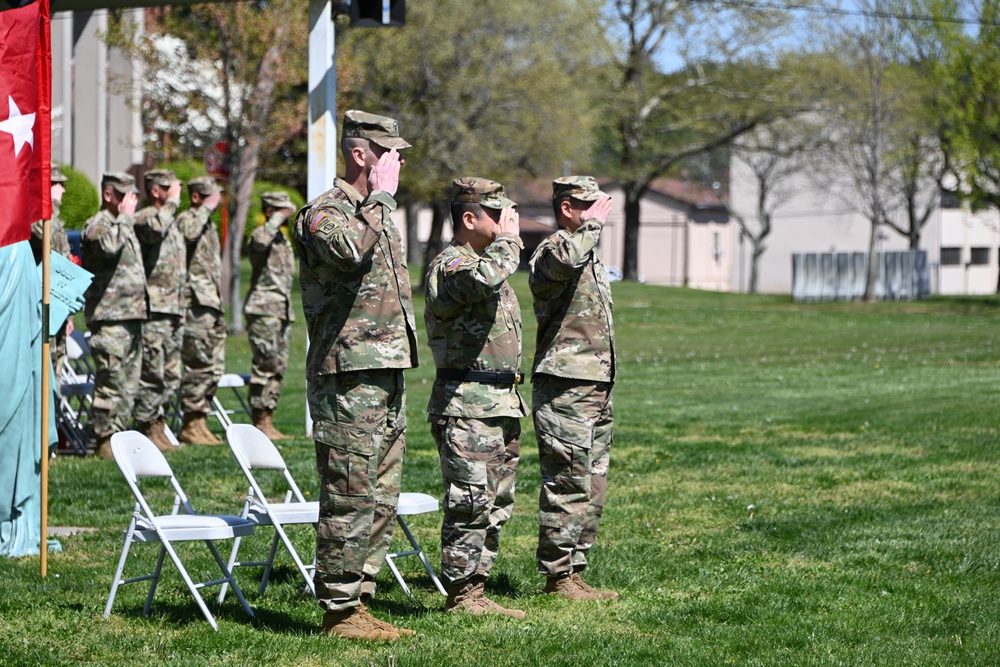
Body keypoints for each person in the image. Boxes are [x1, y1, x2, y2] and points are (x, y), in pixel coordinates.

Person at [292, 110, 418, 641]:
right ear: (361, 154)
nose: (400, 161)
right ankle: (339, 610)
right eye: (390, 152)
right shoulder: (325, 212)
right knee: (349, 491)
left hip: (385, 371)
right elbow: (346, 253)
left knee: (382, 495)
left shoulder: (376, 214)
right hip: (346, 376)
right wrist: (381, 202)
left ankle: (360, 600)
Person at [423, 177, 527, 619]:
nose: (507, 223)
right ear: (469, 218)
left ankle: (477, 588)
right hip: (466, 404)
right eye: (498, 215)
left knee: (496, 502)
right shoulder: (452, 266)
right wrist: (510, 241)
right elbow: (483, 281)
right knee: (469, 502)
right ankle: (462, 594)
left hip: (499, 402)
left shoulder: (486, 262)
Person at [529, 176, 618, 601]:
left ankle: (576, 569)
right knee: (567, 481)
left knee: (593, 481)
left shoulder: (590, 255)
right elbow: (560, 265)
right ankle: (557, 576)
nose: (600, 212)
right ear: (568, 208)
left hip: (597, 384)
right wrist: (592, 229)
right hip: (565, 386)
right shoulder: (554, 250)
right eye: (590, 206)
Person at [80, 172, 144, 459]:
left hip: (131, 315)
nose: (129, 200)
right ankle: (105, 440)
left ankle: (121, 437)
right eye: (123, 194)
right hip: (109, 317)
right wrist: (126, 218)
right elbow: (107, 248)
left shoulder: (122, 224)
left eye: (132, 195)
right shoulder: (98, 225)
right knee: (110, 381)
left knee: (129, 383)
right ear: (108, 195)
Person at [132, 169, 184, 452]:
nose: (176, 192)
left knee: (171, 373)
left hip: (173, 307)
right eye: (170, 188)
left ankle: (159, 423)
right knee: (152, 371)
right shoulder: (145, 218)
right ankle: (147, 426)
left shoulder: (170, 221)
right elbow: (155, 231)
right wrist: (172, 203)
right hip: (154, 307)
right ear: (156, 191)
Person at [244, 191, 297, 440]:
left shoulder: (281, 240)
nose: (288, 214)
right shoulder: (261, 234)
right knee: (265, 365)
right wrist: (276, 220)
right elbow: (258, 244)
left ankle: (269, 417)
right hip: (263, 310)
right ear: (269, 211)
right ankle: (259, 420)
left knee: (278, 367)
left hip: (281, 310)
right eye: (282, 210)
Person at [176, 176, 225, 445]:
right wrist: (205, 209)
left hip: (211, 302)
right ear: (196, 197)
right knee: (198, 362)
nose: (216, 201)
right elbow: (189, 233)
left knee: (213, 365)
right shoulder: (188, 218)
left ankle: (200, 420)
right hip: (195, 303)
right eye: (209, 196)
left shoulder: (208, 224)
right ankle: (190, 424)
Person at [30, 164, 74, 378]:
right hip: (40, 306)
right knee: (43, 373)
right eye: (57, 184)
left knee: (56, 368)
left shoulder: (51, 217)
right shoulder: (33, 214)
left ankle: (54, 411)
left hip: (58, 306)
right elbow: (44, 233)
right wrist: (52, 202)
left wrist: (69, 314)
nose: (62, 190)